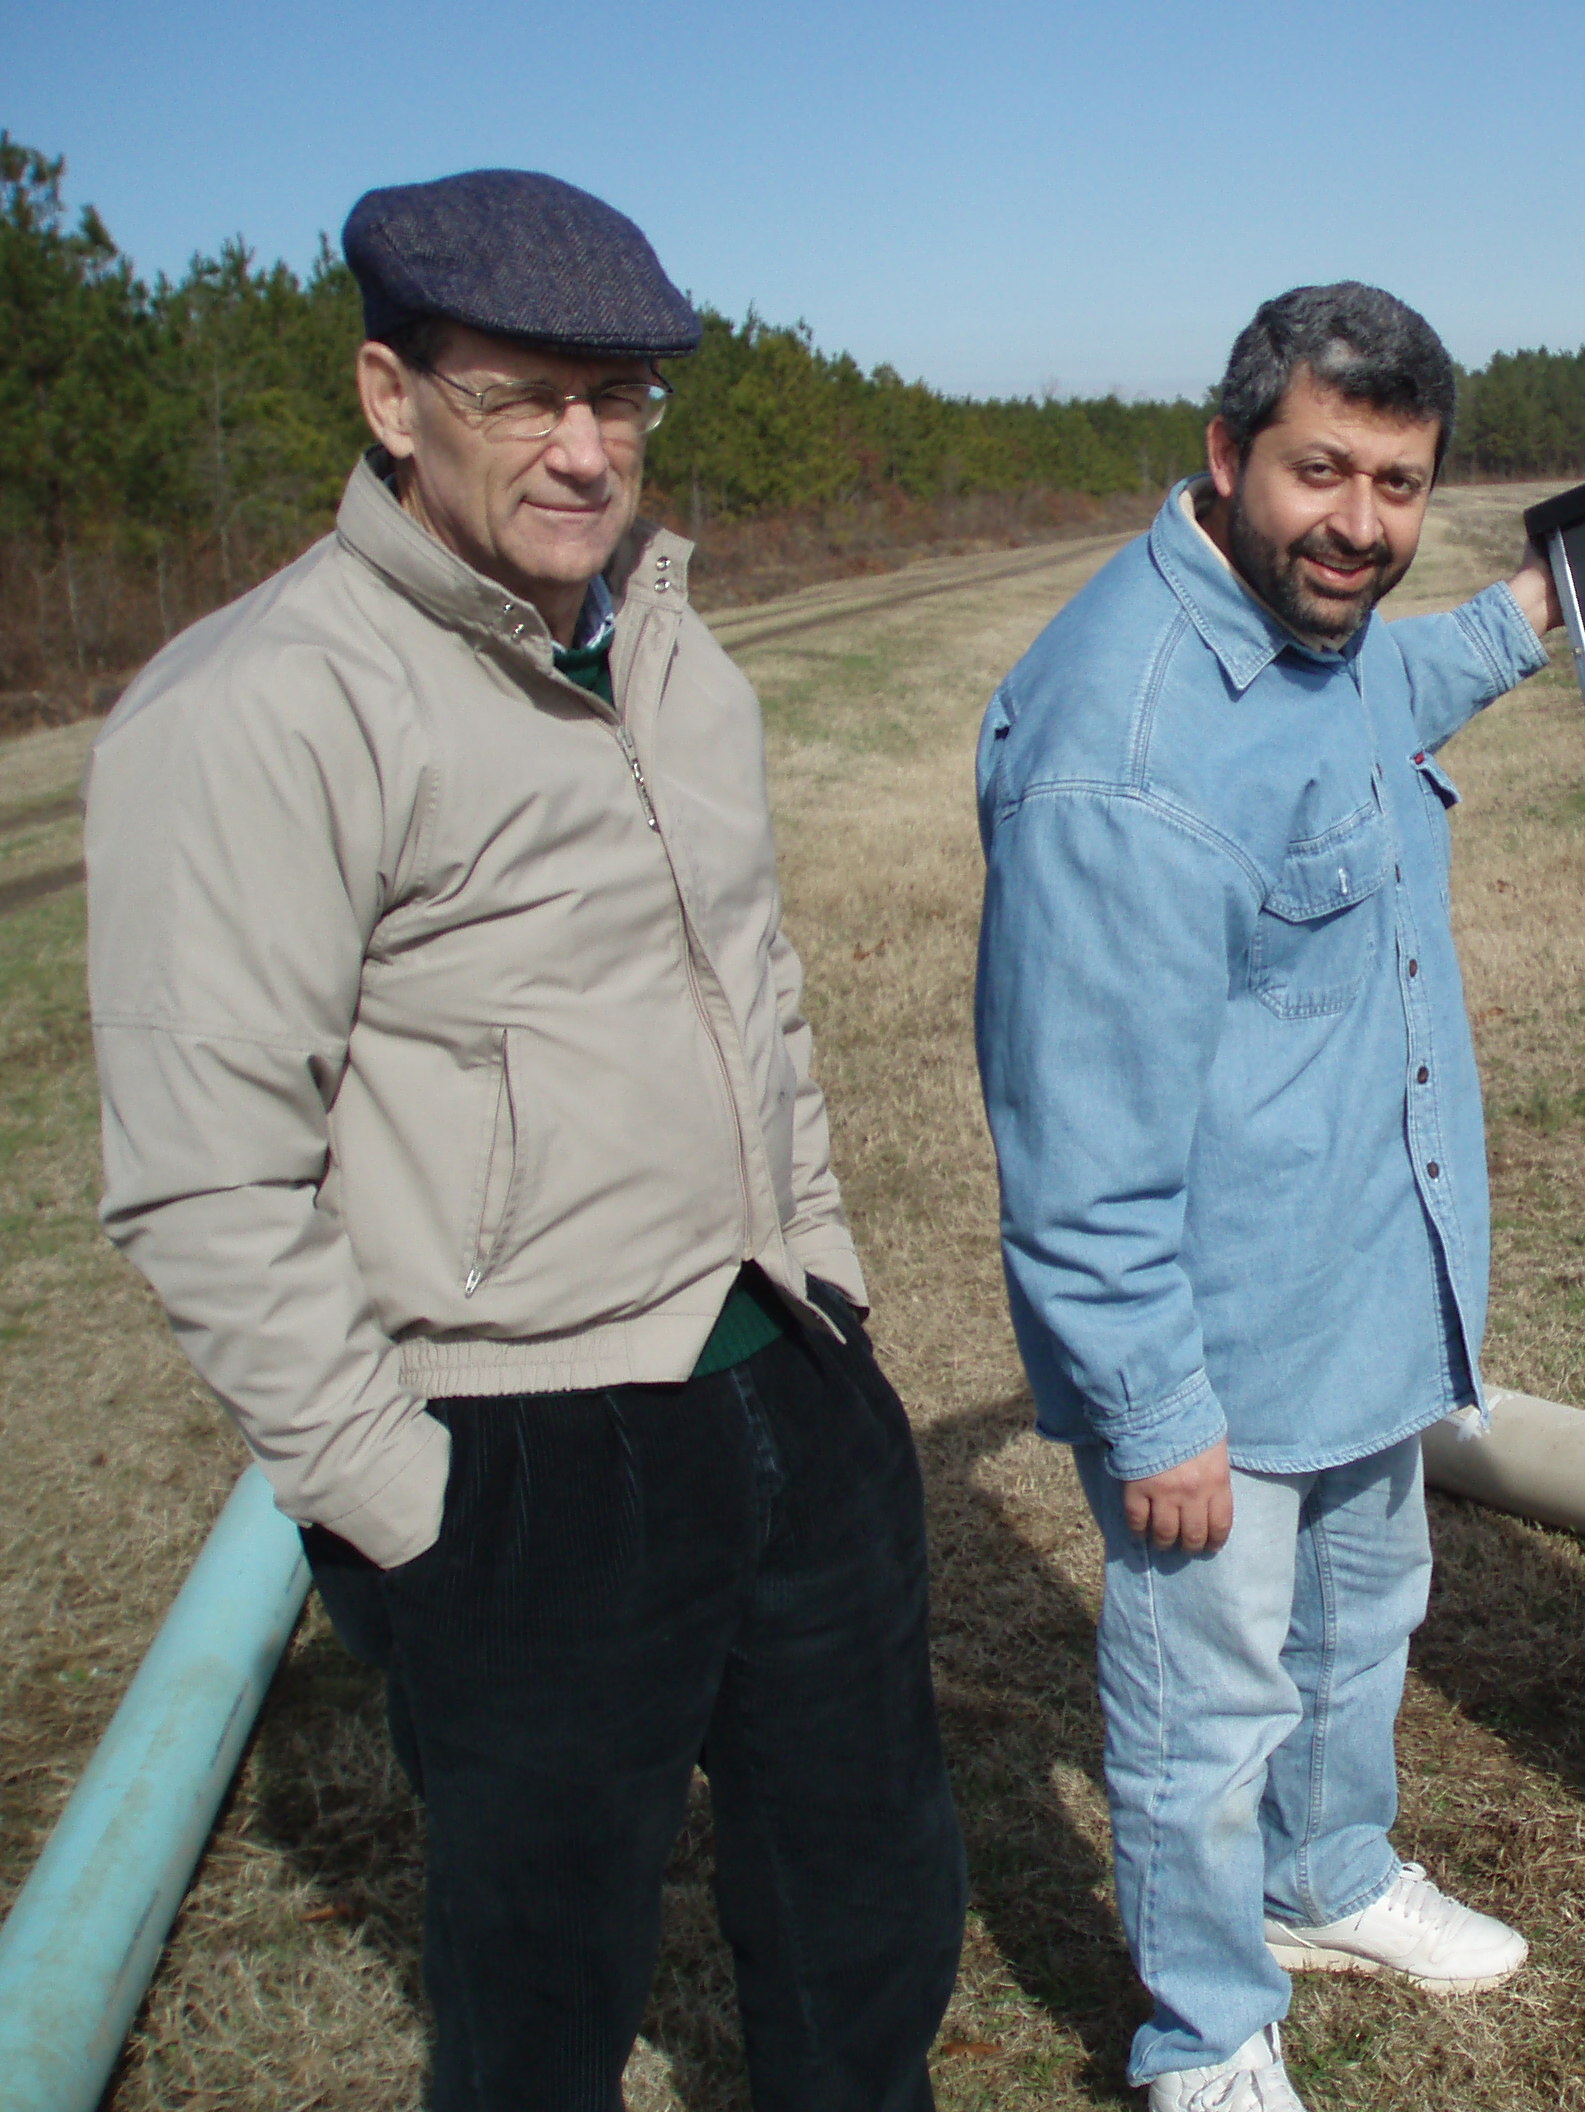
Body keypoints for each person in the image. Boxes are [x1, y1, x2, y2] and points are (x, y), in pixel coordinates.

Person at [84, 169, 962, 2111]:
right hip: (522, 1453)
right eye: (524, 399)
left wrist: (831, 1281)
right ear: (393, 400)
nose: (586, 449)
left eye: (623, 398)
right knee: (546, 1991)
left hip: (784, 1383)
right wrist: (407, 1508)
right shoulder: (256, 712)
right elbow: (203, 1185)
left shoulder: (673, 655)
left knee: (872, 1918)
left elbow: (764, 993)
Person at [972, 282, 1562, 2111]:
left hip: (1361, 1295)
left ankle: (1325, 1880)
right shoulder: (1127, 744)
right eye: (1323, 470)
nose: (1363, 525)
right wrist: (1152, 1410)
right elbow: (1077, 1146)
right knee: (1201, 1712)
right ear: (1227, 455)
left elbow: (1414, 672)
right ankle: (1204, 2034)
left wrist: (1553, 602)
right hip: (1218, 1353)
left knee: (1364, 1615)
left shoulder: (1328, 632)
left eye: (1400, 485)